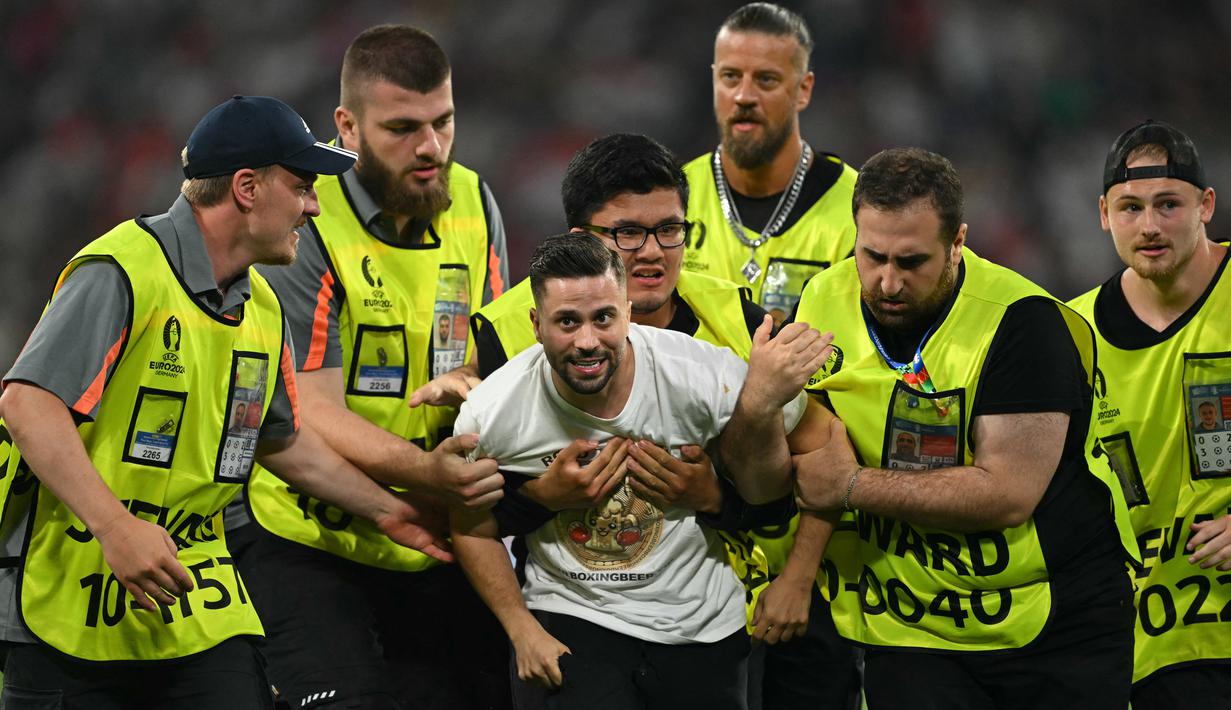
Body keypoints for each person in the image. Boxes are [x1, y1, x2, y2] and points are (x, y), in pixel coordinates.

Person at [0, 95, 446, 708]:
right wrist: (115, 527)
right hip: (69, 608)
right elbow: (27, 403)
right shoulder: (124, 269)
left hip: (195, 608)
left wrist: (386, 511)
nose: (314, 208)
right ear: (246, 188)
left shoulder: (261, 307)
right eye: (303, 187)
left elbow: (279, 439)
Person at [465, 134, 846, 700]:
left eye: (669, 229)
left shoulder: (735, 321)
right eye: (627, 233)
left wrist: (780, 559)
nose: (652, 252)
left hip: (729, 611)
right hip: (576, 618)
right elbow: (469, 507)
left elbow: (825, 447)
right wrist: (543, 495)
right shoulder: (505, 333)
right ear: (580, 240)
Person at [791, 147, 1140, 709]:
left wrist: (853, 486)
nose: (886, 282)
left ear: (958, 242)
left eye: (911, 262)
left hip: (1053, 624)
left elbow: (1007, 494)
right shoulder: (822, 298)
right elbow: (814, 438)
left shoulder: (1023, 321)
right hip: (914, 622)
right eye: (872, 255)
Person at [228, 25, 512, 710]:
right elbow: (309, 408)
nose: (430, 148)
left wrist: (470, 383)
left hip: (439, 537)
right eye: (402, 128)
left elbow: (497, 346)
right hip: (312, 537)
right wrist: (422, 472)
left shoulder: (473, 200)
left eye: (443, 122)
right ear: (346, 127)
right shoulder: (309, 222)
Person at [1067, 120, 1231, 707]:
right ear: (1104, 214)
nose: (1151, 226)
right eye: (1131, 207)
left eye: (1169, 204)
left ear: (1206, 205)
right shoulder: (1069, 334)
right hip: (1150, 652)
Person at [683, 2, 857, 323]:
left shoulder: (857, 212)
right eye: (730, 77)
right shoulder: (674, 202)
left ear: (803, 90)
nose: (744, 96)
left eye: (765, 80)